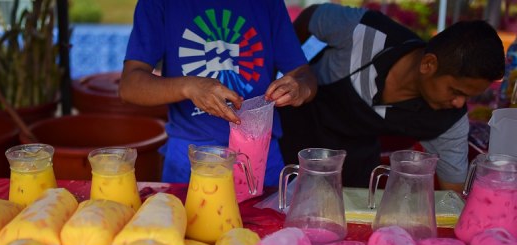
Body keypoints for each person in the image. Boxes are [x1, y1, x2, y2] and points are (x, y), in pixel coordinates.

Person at [278, 3, 505, 192]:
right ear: (429, 64)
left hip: (354, 166)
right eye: (456, 91)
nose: (459, 103)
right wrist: (293, 67)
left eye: (468, 96)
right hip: (289, 144)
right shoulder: (362, 31)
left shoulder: (450, 121)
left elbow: (453, 195)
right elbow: (311, 17)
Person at [118, 0, 317, 185]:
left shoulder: (268, 3)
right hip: (190, 159)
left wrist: (301, 88)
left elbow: (303, 75)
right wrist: (188, 86)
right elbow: (130, 86)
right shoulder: (160, 4)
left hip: (261, 158)